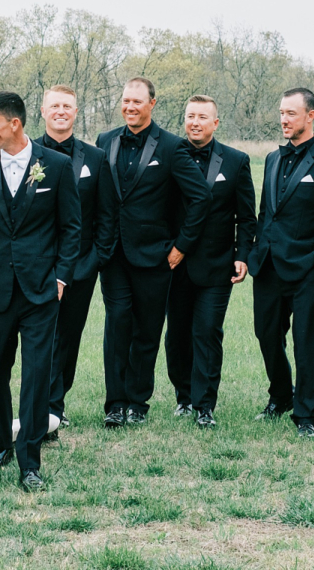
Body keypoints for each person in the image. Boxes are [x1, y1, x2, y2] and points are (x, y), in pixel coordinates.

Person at [0, 91, 82, 491]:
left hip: (41, 290)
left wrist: (60, 279)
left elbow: (71, 228)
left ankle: (30, 461)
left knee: (37, 374)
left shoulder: (56, 166)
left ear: (14, 124)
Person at [95, 78, 210, 427]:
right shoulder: (105, 141)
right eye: (125, 101)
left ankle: (138, 403)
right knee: (117, 327)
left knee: (146, 331)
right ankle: (115, 403)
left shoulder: (173, 147)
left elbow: (200, 198)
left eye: (137, 101)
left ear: (153, 104)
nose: (130, 107)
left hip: (155, 257)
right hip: (113, 255)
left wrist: (181, 247)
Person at [247, 87, 314, 438]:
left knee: (308, 343)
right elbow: (265, 211)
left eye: (291, 113)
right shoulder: (273, 159)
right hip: (268, 265)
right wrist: (255, 249)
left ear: (310, 116)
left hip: (307, 268)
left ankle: (307, 414)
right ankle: (281, 395)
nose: (284, 119)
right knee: (265, 334)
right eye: (281, 113)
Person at [163, 95, 256, 428]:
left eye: (203, 117)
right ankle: (183, 397)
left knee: (207, 332)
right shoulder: (169, 155)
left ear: (215, 123)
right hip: (174, 264)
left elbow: (246, 216)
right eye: (190, 116)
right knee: (176, 336)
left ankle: (205, 406)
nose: (195, 122)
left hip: (217, 264)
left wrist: (243, 255)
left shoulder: (236, 160)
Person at [33, 85, 116, 430]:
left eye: (67, 106)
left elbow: (106, 215)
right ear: (43, 111)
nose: (61, 111)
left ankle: (57, 403)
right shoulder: (27, 153)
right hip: (36, 265)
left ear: (76, 112)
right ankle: (42, 404)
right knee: (41, 336)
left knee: (68, 336)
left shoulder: (95, 158)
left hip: (81, 266)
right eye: (55, 106)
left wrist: (94, 259)